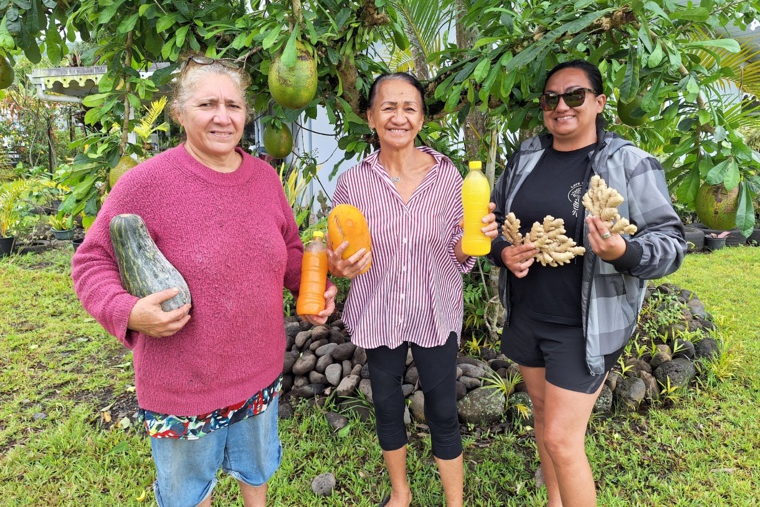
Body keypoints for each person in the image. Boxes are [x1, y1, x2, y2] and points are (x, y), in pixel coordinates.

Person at [71, 55, 337, 507]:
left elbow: (289, 253)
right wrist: (129, 312)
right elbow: (91, 262)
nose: (222, 117)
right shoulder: (146, 184)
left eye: (233, 106)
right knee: (188, 495)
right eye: (207, 104)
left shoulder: (265, 180)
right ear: (179, 112)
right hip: (184, 381)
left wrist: (310, 287)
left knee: (257, 473)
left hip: (258, 370)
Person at [489, 59, 686, 506]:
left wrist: (624, 252)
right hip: (528, 313)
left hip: (587, 325)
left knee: (561, 440)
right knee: (542, 417)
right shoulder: (526, 157)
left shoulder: (631, 163)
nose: (562, 106)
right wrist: (503, 251)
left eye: (574, 95)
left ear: (598, 103)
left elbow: (672, 244)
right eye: (551, 98)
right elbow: (494, 219)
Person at [327, 72, 498, 507]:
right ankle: (400, 494)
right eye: (388, 107)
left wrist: (476, 238)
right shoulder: (353, 183)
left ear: (421, 119)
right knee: (386, 404)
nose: (398, 117)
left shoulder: (447, 177)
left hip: (433, 310)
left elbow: (462, 254)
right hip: (378, 309)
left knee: (442, 409)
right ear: (370, 117)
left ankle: (454, 502)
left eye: (409, 108)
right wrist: (340, 266)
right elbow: (340, 257)